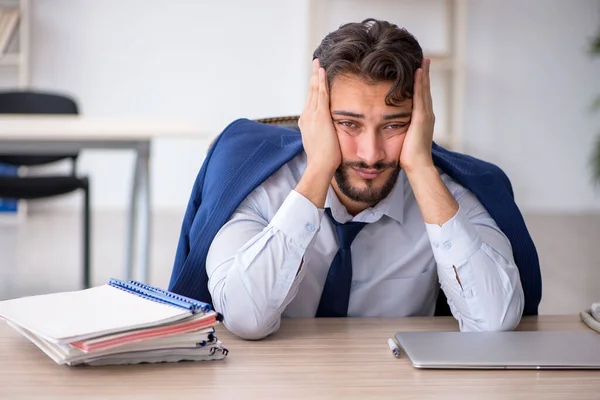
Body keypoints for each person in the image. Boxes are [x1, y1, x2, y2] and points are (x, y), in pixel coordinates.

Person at [169, 19, 542, 340]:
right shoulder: (256, 186)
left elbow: (493, 323)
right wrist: (317, 171)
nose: (370, 153)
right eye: (348, 124)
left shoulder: (452, 193)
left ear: (421, 120)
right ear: (315, 117)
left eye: (394, 125)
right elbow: (245, 319)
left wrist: (423, 169)